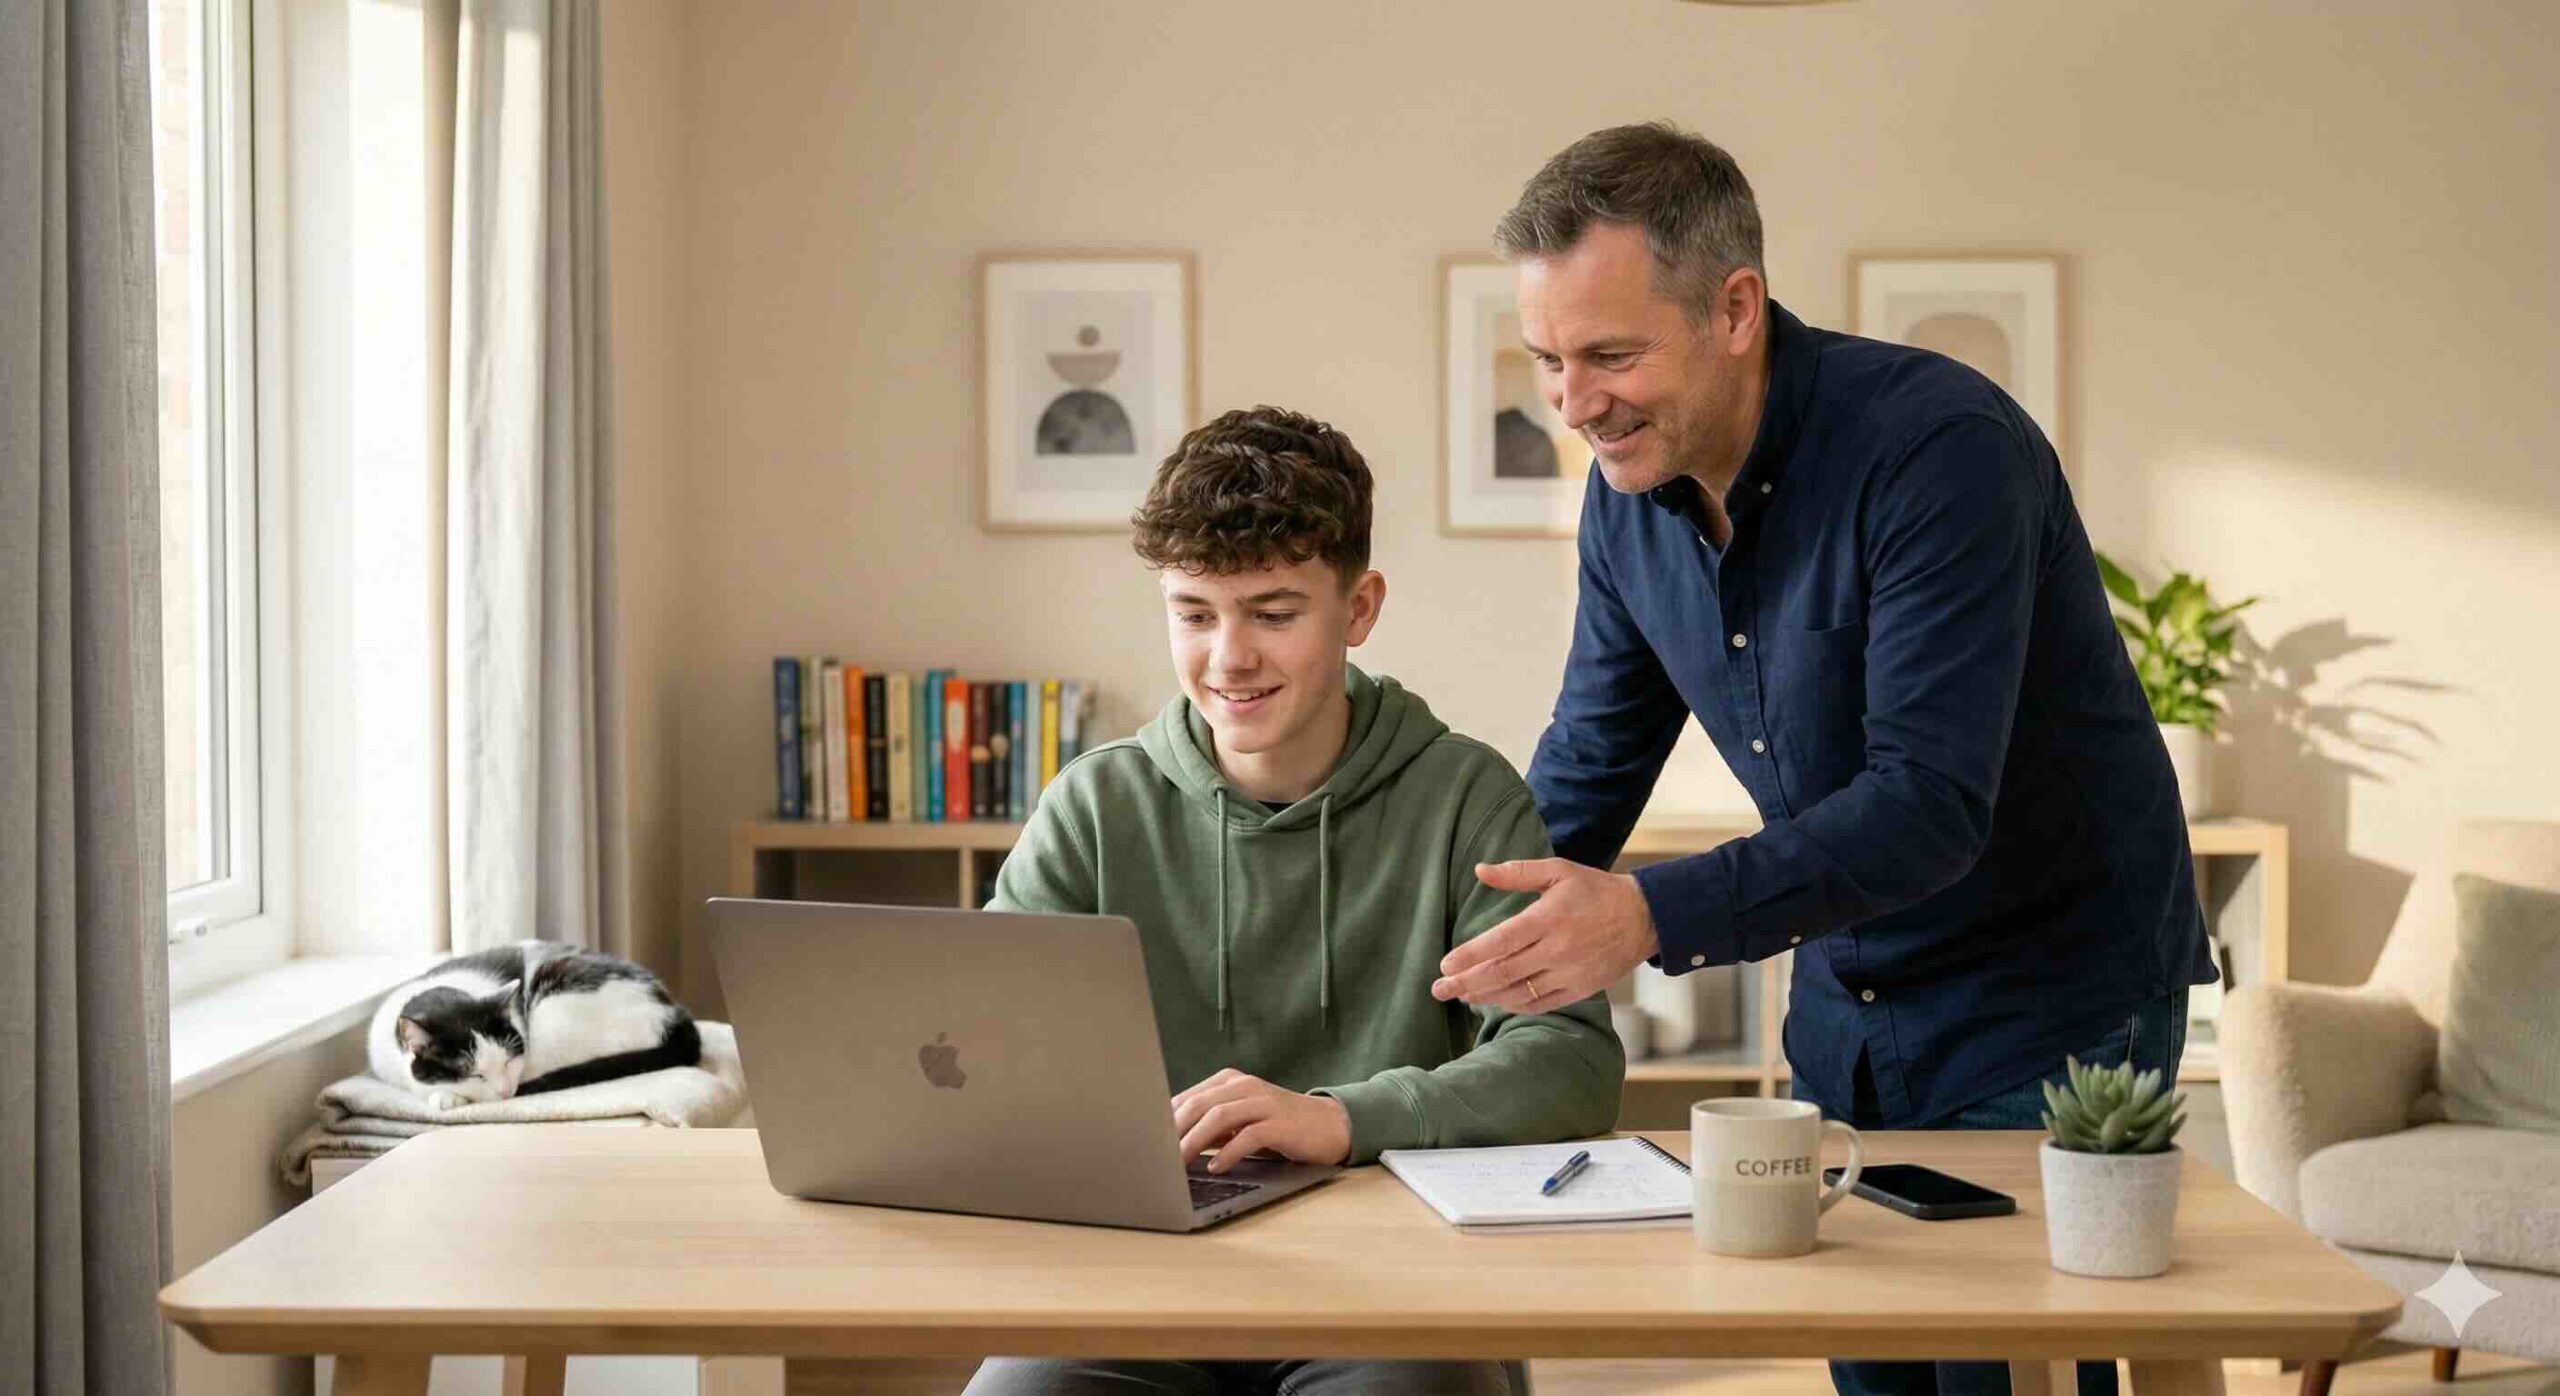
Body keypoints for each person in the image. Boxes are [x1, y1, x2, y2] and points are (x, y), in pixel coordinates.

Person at [1430, 123, 2215, 1396]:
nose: (1574, 404)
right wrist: (1447, 949)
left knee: (1991, 1379)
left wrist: (1642, 916)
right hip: (1846, 998)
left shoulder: (1936, 451)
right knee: (1876, 1372)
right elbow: (1586, 761)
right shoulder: (1627, 502)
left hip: (2049, 994)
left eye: (1611, 354)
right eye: (1548, 361)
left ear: (1734, 308)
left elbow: (1924, 808)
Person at [970, 404, 1624, 1396]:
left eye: (1272, 613)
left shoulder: (1463, 798)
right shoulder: (1096, 805)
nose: (1228, 658)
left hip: (1401, 1289)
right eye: (1194, 613)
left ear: (1358, 608)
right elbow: (976, 1040)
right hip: (1137, 1285)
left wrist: (1340, 1118)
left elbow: (1570, 1063)